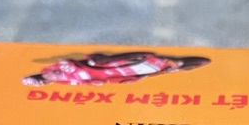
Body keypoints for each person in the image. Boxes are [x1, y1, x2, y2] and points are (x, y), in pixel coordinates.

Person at [23, 50, 210, 86]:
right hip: (102, 76)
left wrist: (77, 71)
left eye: (42, 81)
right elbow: (84, 83)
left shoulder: (52, 70)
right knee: (132, 77)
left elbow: (67, 64)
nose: (47, 81)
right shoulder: (61, 82)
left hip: (97, 67)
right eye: (44, 83)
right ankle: (172, 67)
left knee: (103, 62)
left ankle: (162, 61)